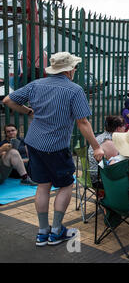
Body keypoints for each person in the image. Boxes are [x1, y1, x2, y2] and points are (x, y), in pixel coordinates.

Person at [2, 51, 104, 247]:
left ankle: (42, 232)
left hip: (34, 143)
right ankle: (56, 231)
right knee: (65, 185)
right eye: (74, 67)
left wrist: (28, 111)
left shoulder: (36, 85)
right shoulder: (74, 90)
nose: (75, 69)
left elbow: (8, 100)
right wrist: (96, 147)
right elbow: (82, 122)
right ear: (68, 70)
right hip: (56, 147)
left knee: (43, 185)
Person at [87, 115, 126, 184]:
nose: (125, 128)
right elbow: (114, 165)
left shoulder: (101, 137)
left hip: (91, 173)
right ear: (118, 129)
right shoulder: (109, 141)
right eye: (124, 126)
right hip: (98, 178)